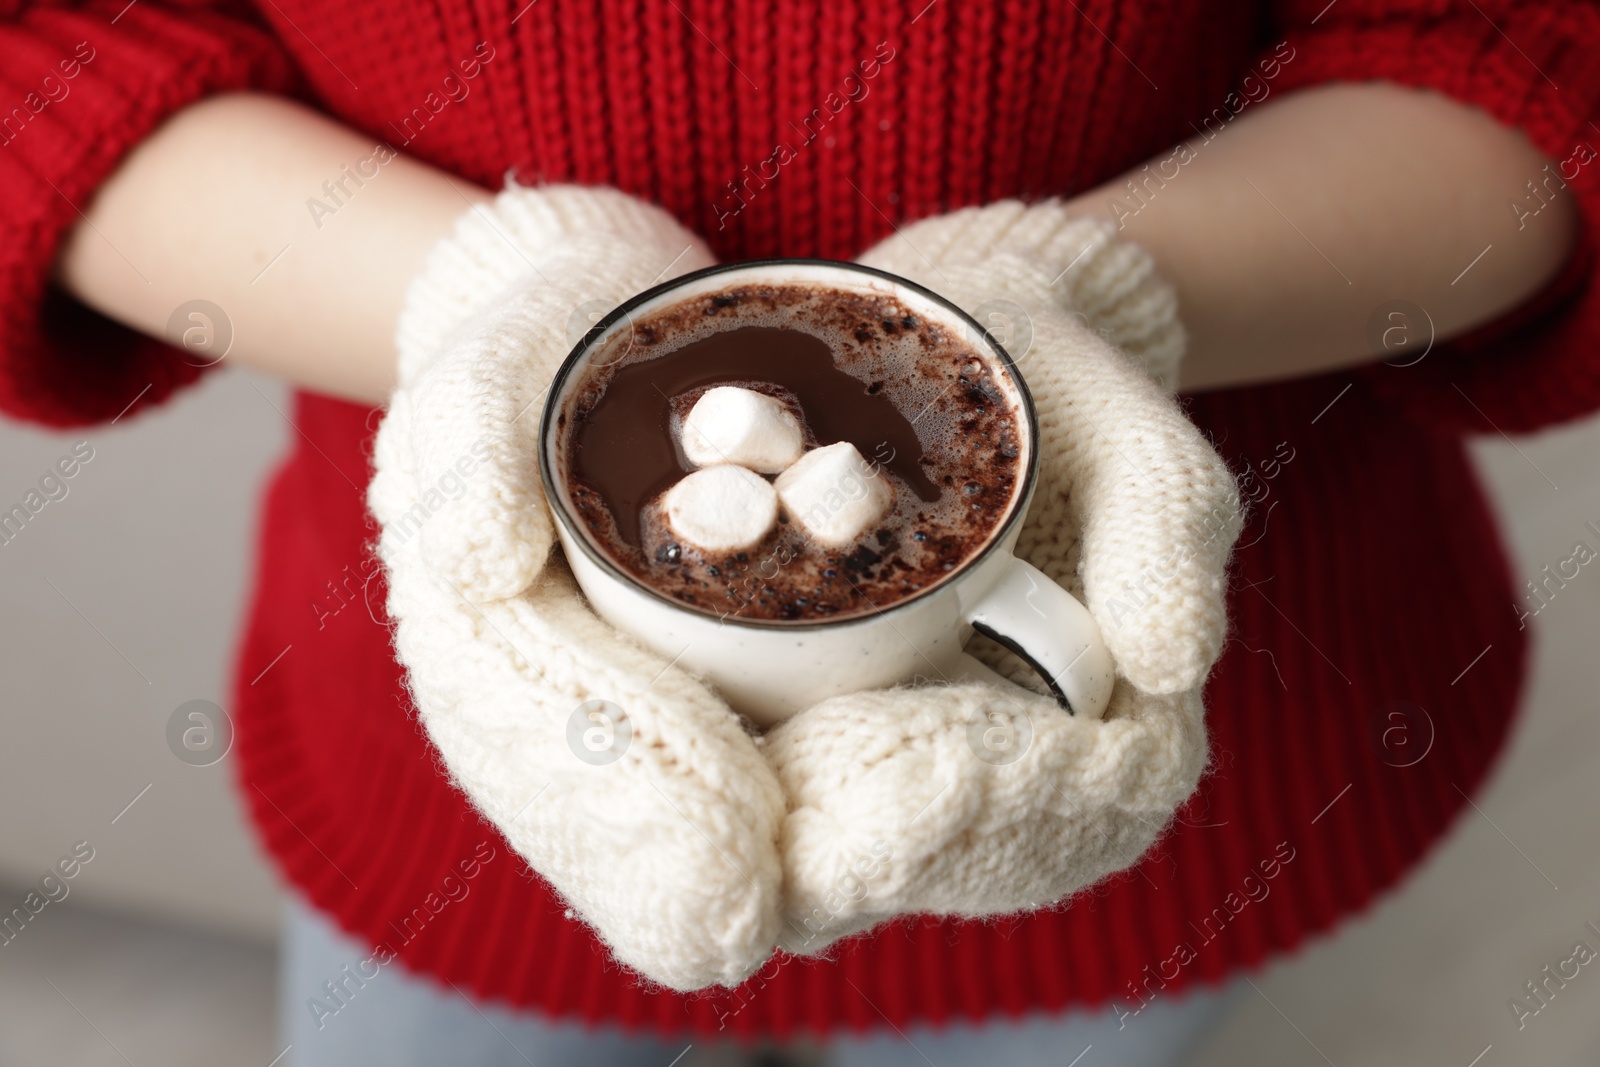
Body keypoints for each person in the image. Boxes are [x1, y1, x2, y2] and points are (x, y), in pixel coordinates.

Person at [2, 1, 1596, 1064]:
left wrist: (1103, 297)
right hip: (459, 746)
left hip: (1172, 791)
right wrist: (478, 299)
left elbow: (1531, 43)